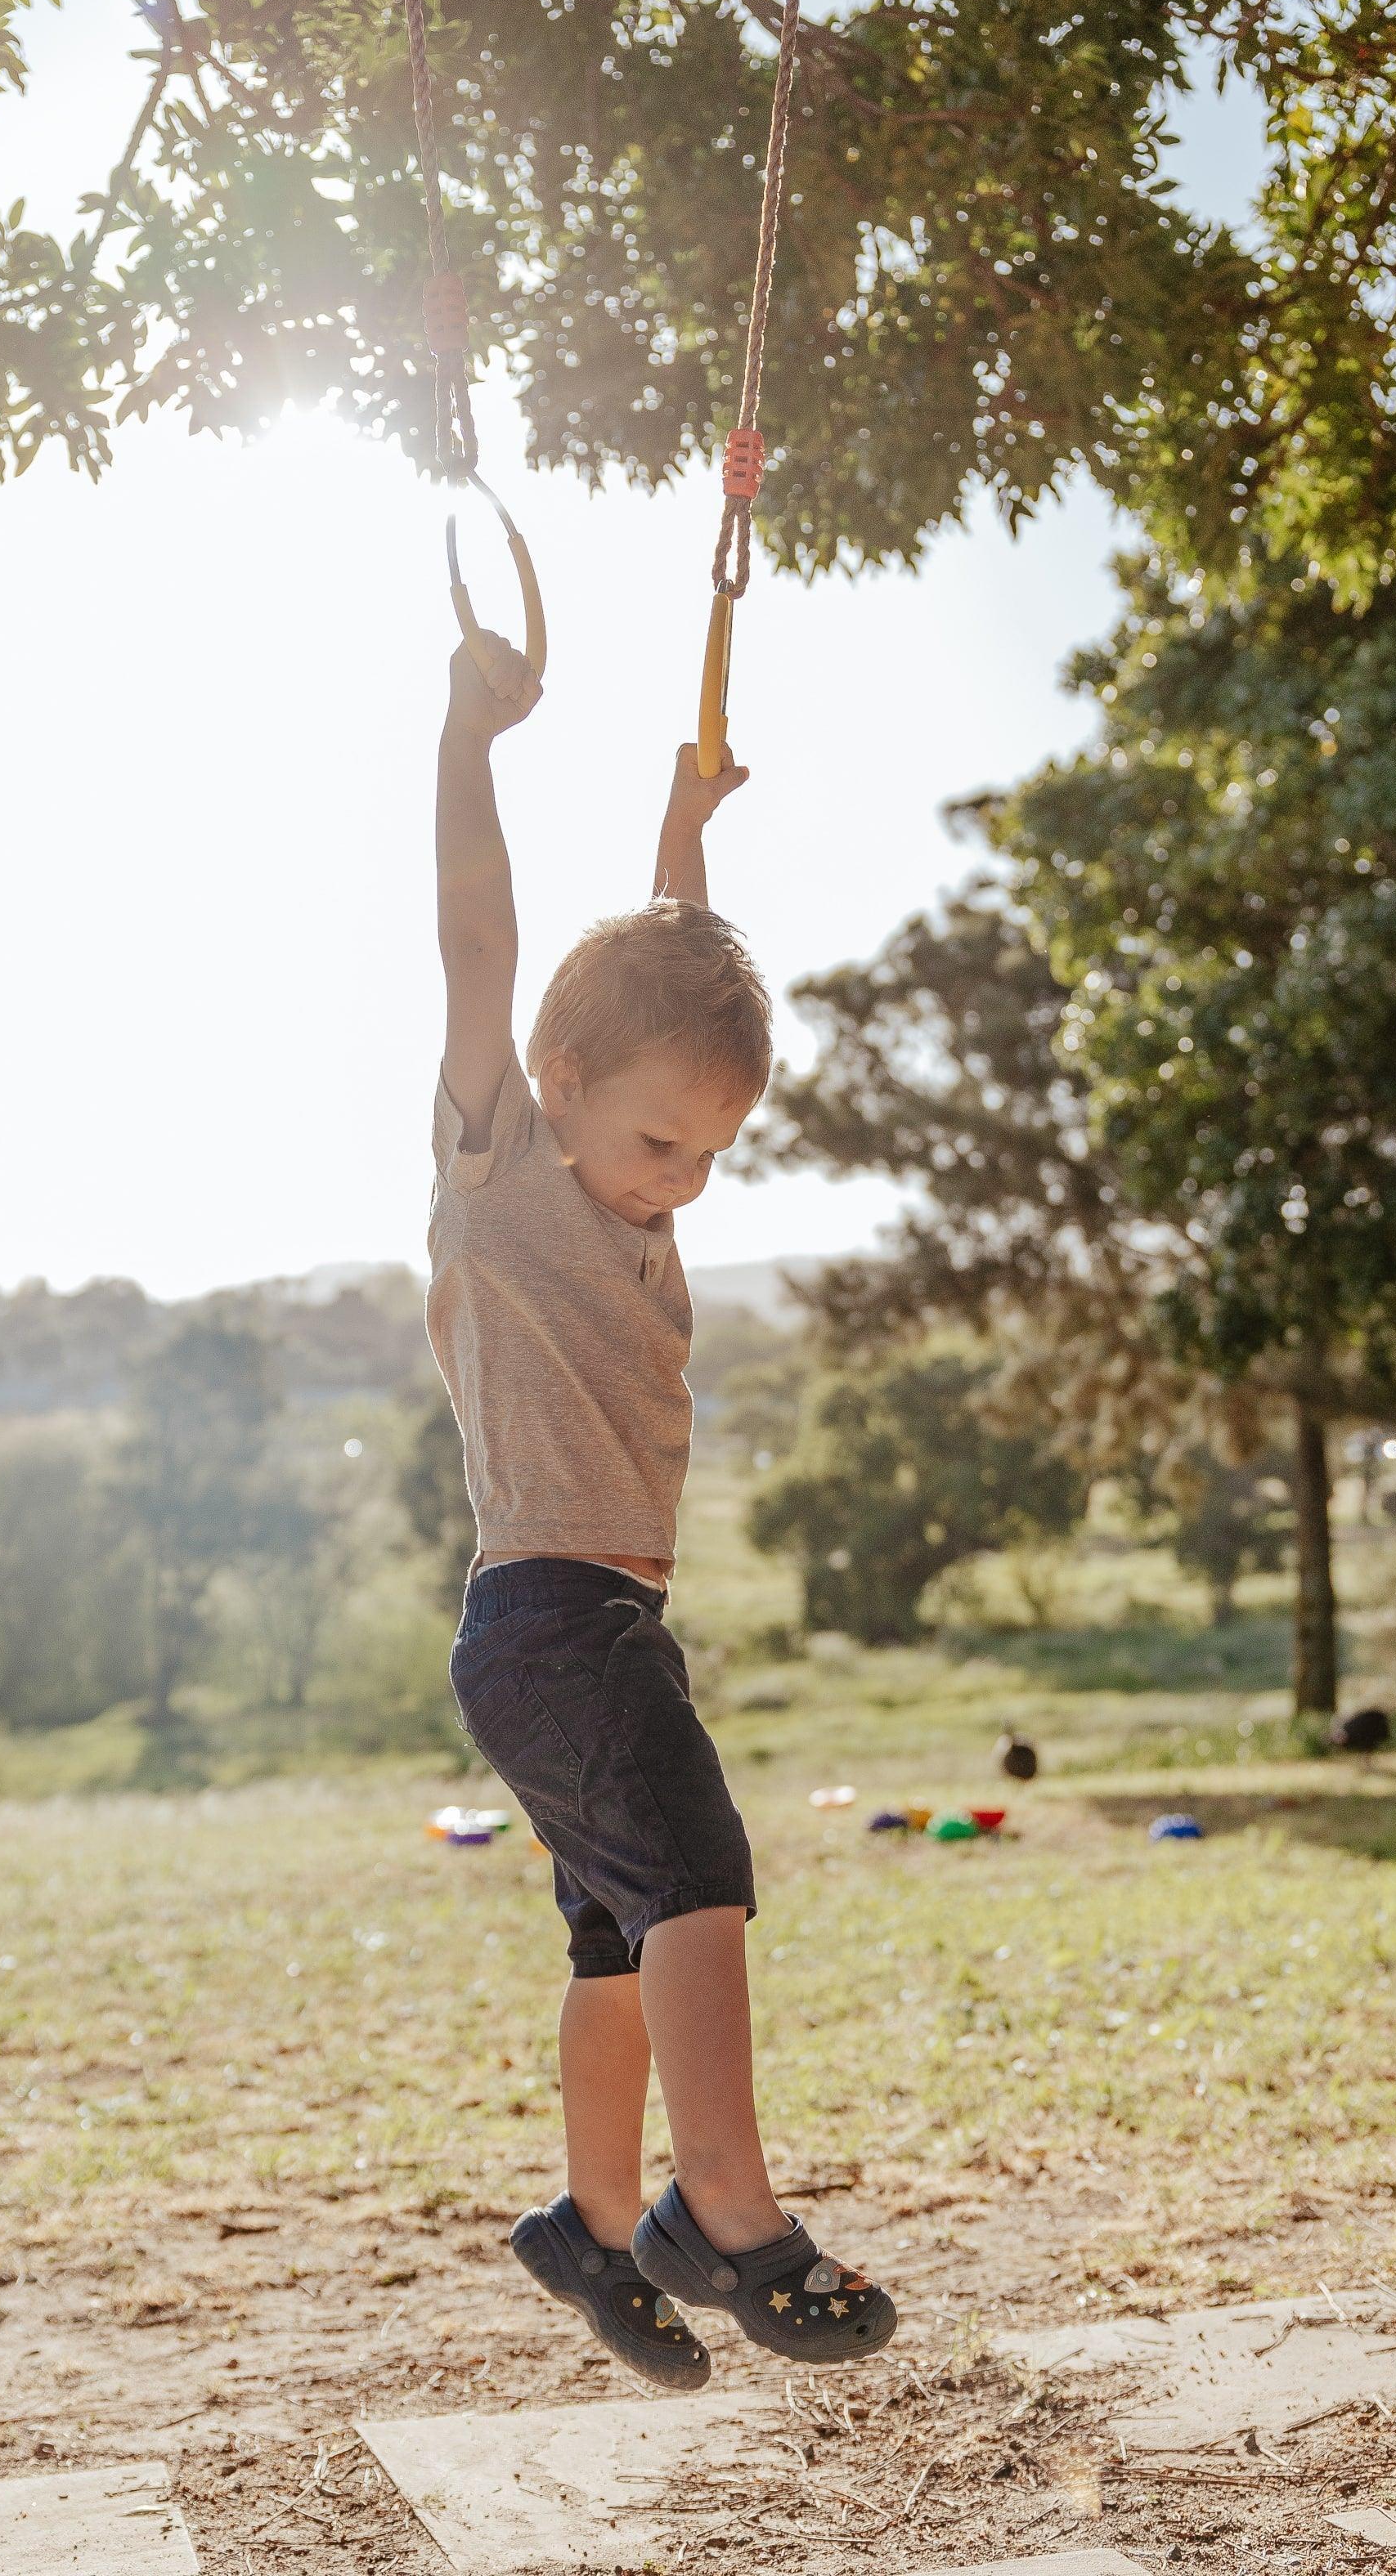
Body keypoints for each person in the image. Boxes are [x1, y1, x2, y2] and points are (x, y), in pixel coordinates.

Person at [426, 630, 897, 2389]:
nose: (676, 1185)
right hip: (549, 1613)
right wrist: (467, 739)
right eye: (654, 1147)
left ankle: (596, 2221)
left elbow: (664, 977)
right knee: (699, 1884)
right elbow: (488, 947)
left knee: (623, 1933)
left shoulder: (627, 1164)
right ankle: (729, 2216)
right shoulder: (502, 1165)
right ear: (550, 1085)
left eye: (708, 1157)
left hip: (592, 1621)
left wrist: (682, 818)